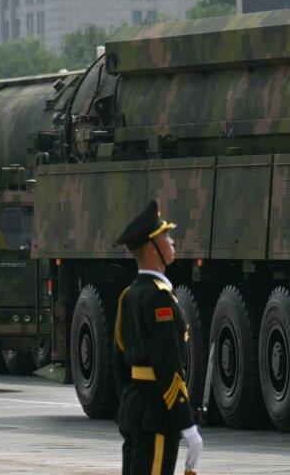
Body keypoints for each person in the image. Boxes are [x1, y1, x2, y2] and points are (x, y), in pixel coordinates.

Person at [112, 199, 202, 475]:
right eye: (166, 236)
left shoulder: (130, 295)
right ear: (152, 247)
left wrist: (132, 405)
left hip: (137, 410)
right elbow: (168, 365)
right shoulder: (159, 298)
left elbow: (119, 361)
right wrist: (186, 424)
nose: (172, 241)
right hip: (157, 415)